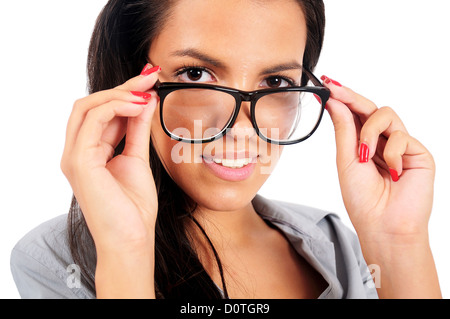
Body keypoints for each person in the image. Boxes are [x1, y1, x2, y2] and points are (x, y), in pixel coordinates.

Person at [10, 0, 441, 299]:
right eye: (197, 74)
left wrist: (398, 242)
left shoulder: (336, 245)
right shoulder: (55, 259)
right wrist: (125, 251)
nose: (239, 128)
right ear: (132, 82)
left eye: (276, 83)